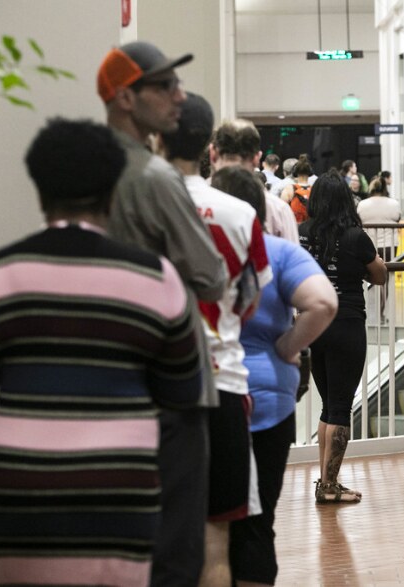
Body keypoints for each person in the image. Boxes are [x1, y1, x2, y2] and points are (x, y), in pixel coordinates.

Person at [0, 119, 204, 586]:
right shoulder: (155, 277)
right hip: (121, 491)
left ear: (39, 189)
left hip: (19, 496)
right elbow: (183, 390)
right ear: (113, 190)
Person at [97, 41, 228, 586]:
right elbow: (212, 275)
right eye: (163, 86)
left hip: (108, 378)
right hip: (169, 380)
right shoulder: (153, 177)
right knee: (174, 547)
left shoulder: (85, 169)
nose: (179, 97)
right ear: (126, 98)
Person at [163, 102, 273, 586]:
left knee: (156, 537)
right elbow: (251, 297)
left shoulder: (138, 204)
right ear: (206, 148)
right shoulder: (241, 212)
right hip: (224, 383)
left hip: (158, 388)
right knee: (217, 543)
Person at [213, 165, 337, 586]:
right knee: (258, 520)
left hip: (211, 394)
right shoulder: (280, 253)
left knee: (211, 522)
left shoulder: (196, 249)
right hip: (269, 399)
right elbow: (323, 304)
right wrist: (286, 346)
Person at [299, 171, 387, 503]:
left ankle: (326, 482)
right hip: (346, 323)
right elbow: (379, 276)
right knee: (340, 407)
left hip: (311, 324)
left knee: (327, 406)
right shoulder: (355, 237)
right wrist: (372, 264)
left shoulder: (302, 234)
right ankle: (330, 486)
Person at [209, 118, 299, 244]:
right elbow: (292, 258)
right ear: (257, 158)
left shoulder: (193, 204)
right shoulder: (278, 210)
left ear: (212, 154)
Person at [358, 176, 402, 323]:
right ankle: (381, 314)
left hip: (369, 244)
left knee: (364, 278)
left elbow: (358, 220)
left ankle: (365, 312)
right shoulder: (393, 204)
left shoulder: (363, 204)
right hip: (389, 244)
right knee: (384, 279)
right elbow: (397, 218)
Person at [281, 155, 314, 224]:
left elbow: (281, 211)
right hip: (309, 229)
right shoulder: (314, 190)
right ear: (310, 173)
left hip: (294, 227)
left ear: (295, 173)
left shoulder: (289, 189)